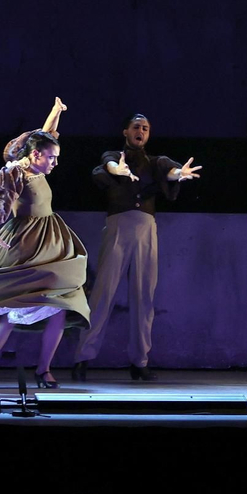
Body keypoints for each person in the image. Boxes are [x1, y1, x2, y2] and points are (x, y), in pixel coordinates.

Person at [0, 98, 89, 389]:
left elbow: (47, 134)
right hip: (25, 242)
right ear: (37, 155)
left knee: (60, 305)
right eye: (51, 158)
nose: (55, 163)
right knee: (9, 308)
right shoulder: (16, 172)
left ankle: (44, 370)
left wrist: (56, 112)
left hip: (51, 241)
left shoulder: (37, 165)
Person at [71, 114, 199, 382]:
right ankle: (83, 357)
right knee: (103, 293)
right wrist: (116, 170)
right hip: (119, 226)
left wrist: (180, 173)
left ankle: (140, 361)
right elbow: (106, 166)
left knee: (144, 296)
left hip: (145, 228)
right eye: (136, 127)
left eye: (145, 128)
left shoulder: (155, 162)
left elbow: (170, 171)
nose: (141, 131)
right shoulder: (114, 156)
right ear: (126, 132)